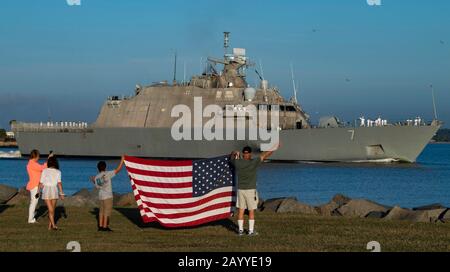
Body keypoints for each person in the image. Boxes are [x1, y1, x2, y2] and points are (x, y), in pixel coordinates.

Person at [230, 143, 280, 236]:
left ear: (243, 153)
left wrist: (234, 153)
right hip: (250, 190)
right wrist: (274, 148)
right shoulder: (253, 162)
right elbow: (265, 155)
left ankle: (240, 231)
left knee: (241, 210)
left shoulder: (238, 163)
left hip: (241, 190)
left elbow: (231, 159)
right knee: (251, 211)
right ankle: (251, 231)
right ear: (250, 154)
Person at [90, 156, 125, 232]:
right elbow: (118, 169)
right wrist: (122, 160)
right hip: (108, 196)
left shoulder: (97, 177)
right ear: (105, 167)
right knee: (106, 212)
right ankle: (105, 227)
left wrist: (93, 180)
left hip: (101, 196)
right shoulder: (108, 174)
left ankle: (100, 226)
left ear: (98, 168)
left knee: (101, 212)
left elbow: (98, 186)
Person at [26, 150, 53, 223]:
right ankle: (31, 219)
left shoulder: (33, 163)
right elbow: (43, 167)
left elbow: (41, 168)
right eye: (38, 156)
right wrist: (49, 159)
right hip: (34, 185)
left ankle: (31, 217)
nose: (39, 157)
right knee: (34, 202)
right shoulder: (32, 164)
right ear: (35, 156)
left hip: (36, 185)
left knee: (34, 202)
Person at [39, 156, 64, 230]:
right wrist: (38, 192)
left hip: (51, 190)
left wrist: (62, 194)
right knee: (51, 210)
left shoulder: (46, 171)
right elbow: (59, 184)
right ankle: (54, 225)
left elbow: (41, 183)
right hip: (50, 190)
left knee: (52, 209)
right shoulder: (57, 171)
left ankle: (50, 226)